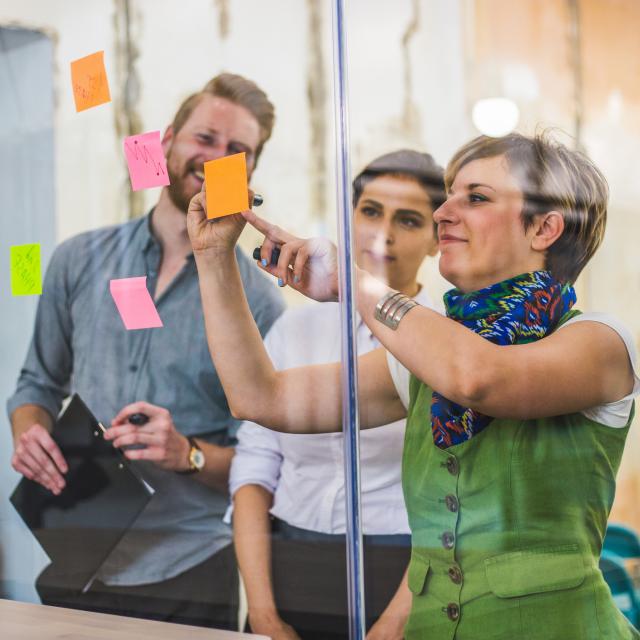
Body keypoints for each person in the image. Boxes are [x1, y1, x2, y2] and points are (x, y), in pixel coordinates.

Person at [187, 131, 640, 639]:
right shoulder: (423, 356)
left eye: (475, 197)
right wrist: (213, 258)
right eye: (447, 196)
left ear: (544, 228)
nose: (443, 213)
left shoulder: (602, 340)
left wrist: (353, 280)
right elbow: (259, 398)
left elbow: (480, 378)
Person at [8, 73, 285, 629]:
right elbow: (36, 384)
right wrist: (28, 431)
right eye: (204, 138)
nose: (215, 159)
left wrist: (188, 453)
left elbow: (266, 462)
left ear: (250, 172)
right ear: (166, 145)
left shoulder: (259, 301)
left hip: (187, 566)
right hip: (71, 545)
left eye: (237, 151)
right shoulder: (77, 259)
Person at [231, 150, 443, 640]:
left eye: (408, 220)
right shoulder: (296, 326)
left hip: (404, 570)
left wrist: (391, 628)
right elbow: (255, 466)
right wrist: (262, 615)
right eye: (370, 211)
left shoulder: (444, 339)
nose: (382, 233)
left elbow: (454, 500)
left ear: (436, 239)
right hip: (286, 561)